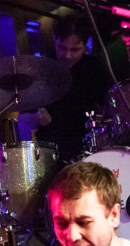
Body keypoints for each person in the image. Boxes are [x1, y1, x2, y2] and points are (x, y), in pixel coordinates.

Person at [31, 14, 110, 163]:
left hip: (88, 146)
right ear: (54, 39)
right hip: (51, 149)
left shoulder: (94, 68)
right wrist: (37, 117)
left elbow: (107, 107)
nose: (67, 55)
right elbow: (25, 116)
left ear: (85, 46)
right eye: (62, 48)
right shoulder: (41, 69)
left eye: (75, 50)